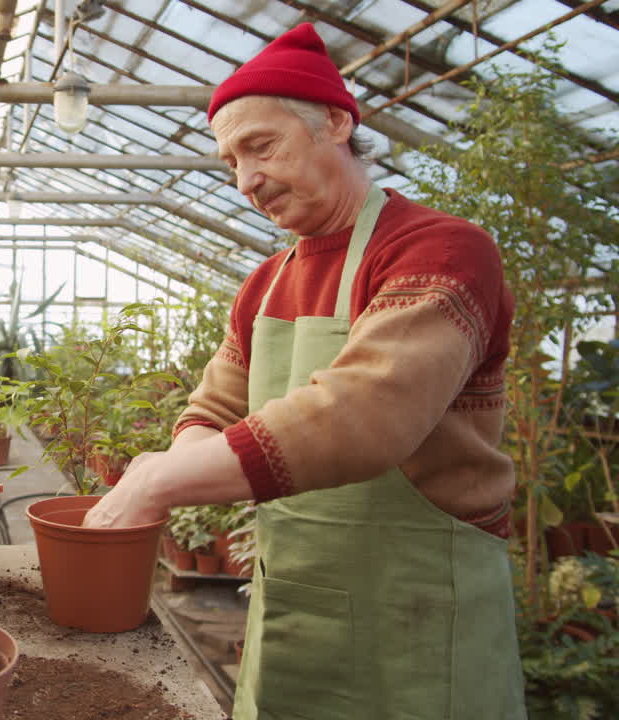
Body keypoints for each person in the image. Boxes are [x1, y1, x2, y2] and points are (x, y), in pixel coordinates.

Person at [82, 23, 526, 719]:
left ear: (337, 124)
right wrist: (176, 463)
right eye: (230, 160)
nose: (245, 180)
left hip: (417, 618)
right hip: (293, 608)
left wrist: (160, 477)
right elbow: (213, 408)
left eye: (261, 146)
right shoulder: (266, 282)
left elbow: (366, 413)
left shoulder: (440, 251)